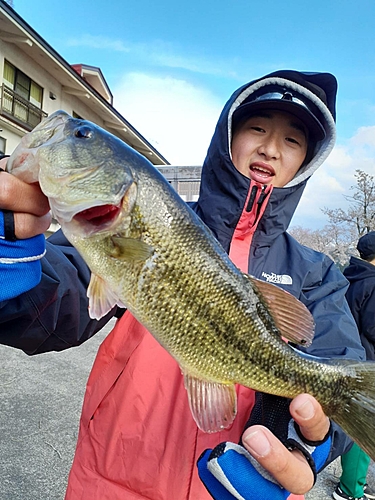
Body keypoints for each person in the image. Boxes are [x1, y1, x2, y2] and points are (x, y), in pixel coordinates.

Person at [0, 70, 366, 500]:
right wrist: (16, 262)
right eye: (257, 128)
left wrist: (307, 446)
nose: (270, 147)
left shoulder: (315, 272)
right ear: (227, 137)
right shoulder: (116, 224)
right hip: (109, 480)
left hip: (227, 483)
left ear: (307, 161)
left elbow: (339, 364)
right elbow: (58, 304)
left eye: (292, 140)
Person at [332, 231, 375, 500]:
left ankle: (354, 482)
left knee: (353, 422)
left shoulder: (350, 277)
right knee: (366, 424)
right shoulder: (373, 283)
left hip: (349, 360)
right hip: (368, 364)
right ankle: (350, 489)